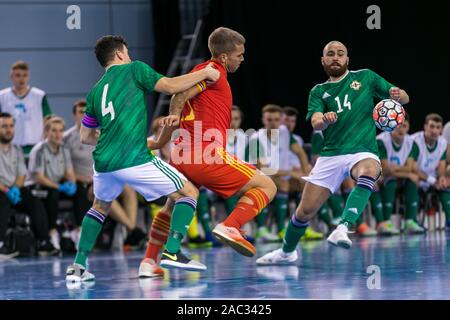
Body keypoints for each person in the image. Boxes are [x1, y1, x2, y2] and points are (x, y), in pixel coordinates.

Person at [65, 34, 220, 282]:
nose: (130, 55)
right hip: (133, 158)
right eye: (127, 51)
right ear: (119, 54)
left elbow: (86, 137)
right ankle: (172, 251)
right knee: (188, 193)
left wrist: (115, 139)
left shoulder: (95, 92)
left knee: (99, 207)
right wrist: (206, 73)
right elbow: (170, 86)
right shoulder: (134, 69)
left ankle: (78, 267)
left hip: (104, 162)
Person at [256, 40, 409, 265]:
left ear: (347, 59)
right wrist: (324, 120)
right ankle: (286, 252)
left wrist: (399, 95)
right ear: (323, 60)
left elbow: (404, 98)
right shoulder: (319, 91)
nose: (335, 57)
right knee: (304, 212)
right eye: (330, 54)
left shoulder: (365, 77)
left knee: (370, 171)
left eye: (340, 54)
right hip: (331, 155)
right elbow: (315, 122)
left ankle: (343, 227)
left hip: (362, 150)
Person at [141, 27, 277, 276]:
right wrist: (171, 115)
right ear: (224, 57)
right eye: (239, 54)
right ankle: (230, 225)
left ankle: (151, 260)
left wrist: (161, 142)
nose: (242, 58)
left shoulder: (204, 72)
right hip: (205, 152)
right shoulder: (213, 72)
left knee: (173, 205)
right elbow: (179, 94)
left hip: (182, 153)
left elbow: (181, 100)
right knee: (268, 186)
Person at [63, 100, 146, 248]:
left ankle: (130, 229)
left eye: (86, 112)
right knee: (104, 194)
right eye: (80, 112)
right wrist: (86, 179)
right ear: (74, 115)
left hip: (104, 176)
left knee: (128, 189)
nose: (84, 115)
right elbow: (65, 170)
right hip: (83, 181)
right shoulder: (67, 139)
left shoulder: (99, 134)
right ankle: (133, 230)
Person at [248, 104, 313, 241]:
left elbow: (300, 153)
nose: (273, 123)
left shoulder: (284, 132)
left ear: (281, 120)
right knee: (282, 184)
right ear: (263, 120)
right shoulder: (255, 139)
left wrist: (307, 172)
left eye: (276, 120)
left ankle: (301, 227)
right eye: (269, 120)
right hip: (257, 178)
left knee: (305, 185)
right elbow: (264, 169)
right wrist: (292, 172)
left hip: (280, 176)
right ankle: (271, 229)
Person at [0, 112, 58, 257]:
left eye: (11, 126)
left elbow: (21, 175)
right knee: (3, 201)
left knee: (35, 202)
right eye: (4, 126)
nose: (8, 130)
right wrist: (7, 190)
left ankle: (44, 242)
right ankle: (1, 244)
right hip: (1, 190)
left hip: (15, 189)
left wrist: (15, 188)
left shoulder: (17, 150)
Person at [25, 116, 77, 251]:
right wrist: (59, 187)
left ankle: (77, 231)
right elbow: (39, 177)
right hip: (36, 187)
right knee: (53, 193)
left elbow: (69, 172)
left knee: (81, 191)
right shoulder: (39, 150)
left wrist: (72, 182)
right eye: (54, 130)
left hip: (55, 185)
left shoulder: (64, 149)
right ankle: (52, 232)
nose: (58, 134)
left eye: (60, 131)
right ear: (47, 132)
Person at [370, 115, 417, 235]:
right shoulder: (381, 141)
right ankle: (385, 222)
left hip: (396, 178)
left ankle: (409, 221)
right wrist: (404, 171)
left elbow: (410, 168)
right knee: (390, 182)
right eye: (398, 126)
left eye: (404, 126)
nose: (401, 130)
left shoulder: (412, 142)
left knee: (412, 181)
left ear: (408, 127)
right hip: (379, 177)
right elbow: (385, 170)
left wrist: (397, 170)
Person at [406, 113, 450, 229]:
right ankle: (412, 221)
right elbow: (412, 168)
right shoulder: (414, 141)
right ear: (425, 126)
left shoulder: (443, 143)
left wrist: (441, 178)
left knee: (445, 185)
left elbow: (441, 167)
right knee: (412, 180)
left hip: (432, 179)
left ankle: (449, 221)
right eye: (431, 126)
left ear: (441, 129)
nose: (434, 130)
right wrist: (431, 180)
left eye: (438, 127)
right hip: (417, 177)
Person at [0, 61, 52, 155]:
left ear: (28, 76)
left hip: (35, 147)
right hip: (9, 148)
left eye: (25, 75)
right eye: (18, 75)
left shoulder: (39, 96)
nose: (22, 78)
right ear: (11, 77)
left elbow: (48, 120)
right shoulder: (2, 97)